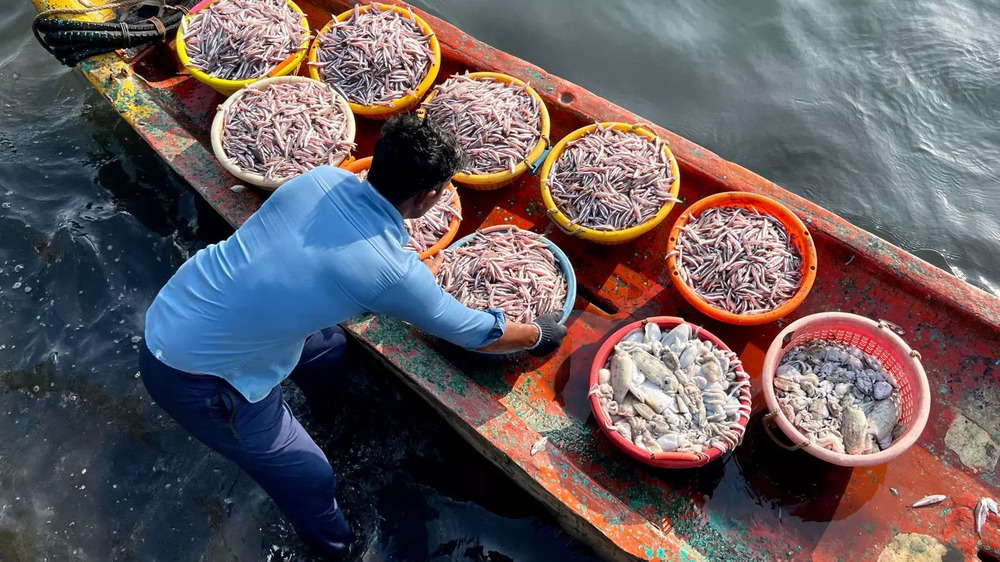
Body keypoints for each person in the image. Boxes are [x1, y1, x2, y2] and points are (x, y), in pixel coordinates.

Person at [138, 114, 567, 558]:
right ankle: (338, 547)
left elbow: (328, 259)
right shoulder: (391, 271)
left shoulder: (320, 179)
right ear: (428, 196)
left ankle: (330, 413)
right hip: (198, 378)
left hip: (178, 306)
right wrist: (539, 334)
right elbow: (473, 332)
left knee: (329, 348)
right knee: (310, 477)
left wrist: (411, 277)